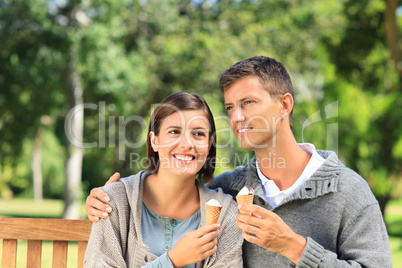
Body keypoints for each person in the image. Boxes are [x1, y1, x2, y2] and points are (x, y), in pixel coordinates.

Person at [85, 56, 392, 267]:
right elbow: (175, 183)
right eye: (230, 107)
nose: (237, 117)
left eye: (248, 103)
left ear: (284, 104)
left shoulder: (348, 190)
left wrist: (294, 247)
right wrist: (106, 199)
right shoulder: (229, 191)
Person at [83, 92, 243, 267]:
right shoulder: (114, 201)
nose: (187, 143)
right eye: (174, 132)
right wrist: (172, 261)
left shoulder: (225, 213)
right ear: (154, 140)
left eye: (198, 134)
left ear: (209, 143)